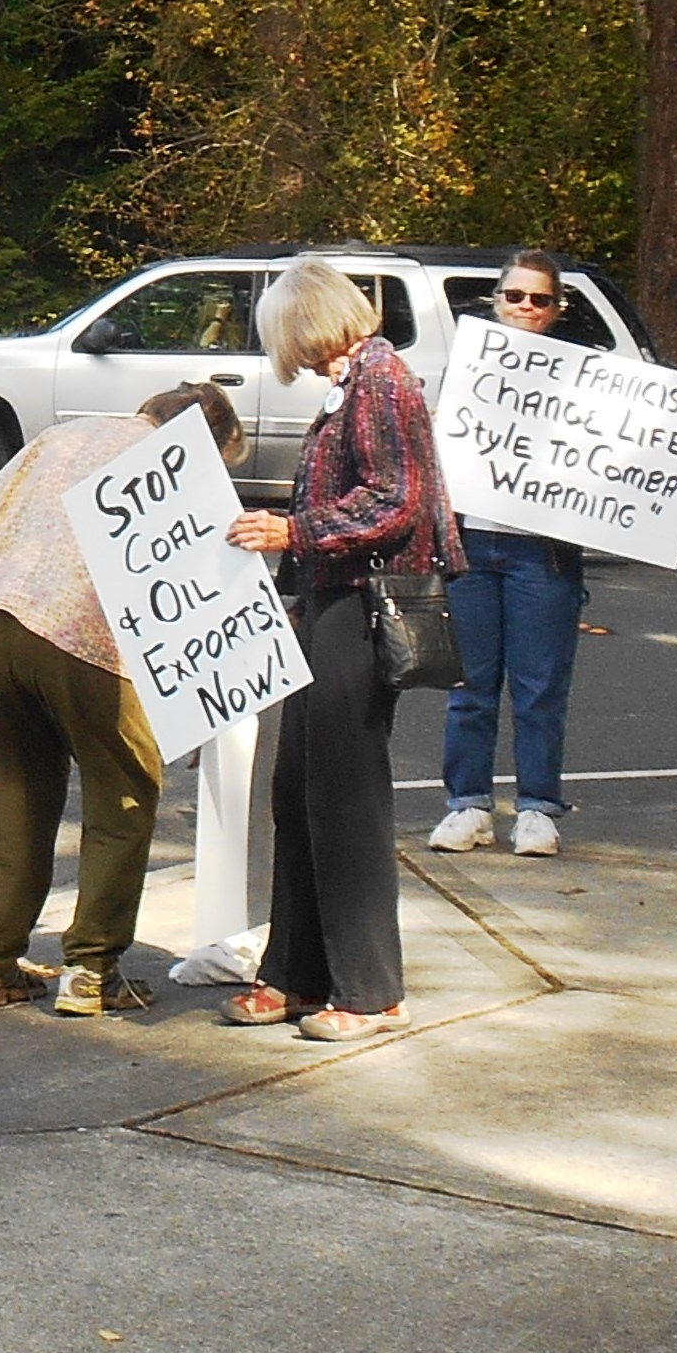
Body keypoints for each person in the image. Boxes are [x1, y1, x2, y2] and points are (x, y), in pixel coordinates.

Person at [0, 385, 240, 1017]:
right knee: (123, 792)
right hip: (88, 636)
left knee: (18, 794)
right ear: (203, 439)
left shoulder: (62, 435)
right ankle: (91, 970)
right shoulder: (173, 465)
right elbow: (190, 588)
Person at [223, 255, 456, 1040]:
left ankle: (369, 988)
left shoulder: (381, 382)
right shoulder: (358, 382)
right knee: (299, 789)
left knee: (343, 796)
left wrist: (296, 532)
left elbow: (396, 499)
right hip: (331, 597)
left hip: (362, 602)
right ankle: (294, 971)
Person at [428, 249, 589, 859]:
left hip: (541, 554)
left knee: (539, 687)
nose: (526, 307)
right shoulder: (472, 370)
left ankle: (538, 808)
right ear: (497, 301)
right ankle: (467, 804)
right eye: (515, 296)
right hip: (472, 545)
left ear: (557, 308)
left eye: (539, 299)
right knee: (470, 685)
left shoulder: (586, 378)